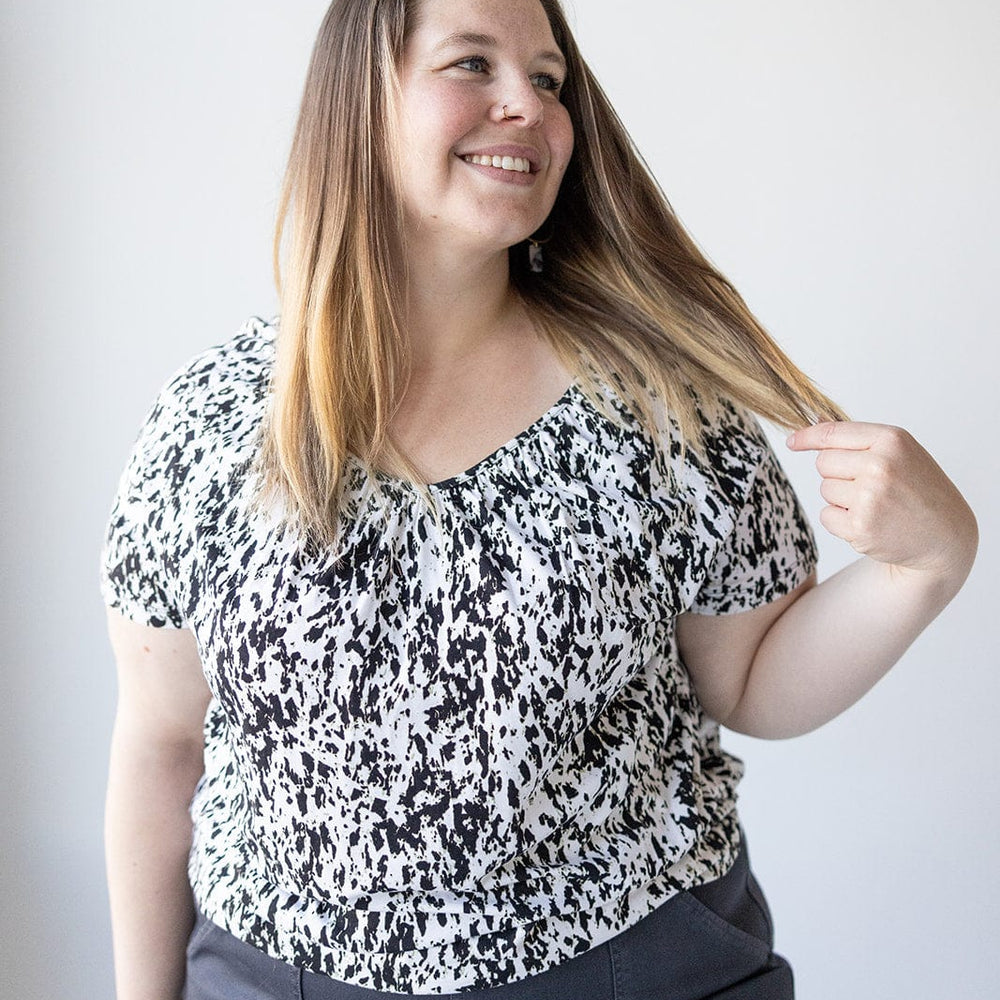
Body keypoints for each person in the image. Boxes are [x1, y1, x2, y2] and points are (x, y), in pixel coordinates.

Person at [100, 0, 978, 997]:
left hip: (635, 964)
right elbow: (162, 747)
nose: (528, 104)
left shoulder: (658, 404)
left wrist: (924, 565)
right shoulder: (211, 423)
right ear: (359, 103)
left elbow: (751, 681)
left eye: (549, 79)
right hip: (282, 974)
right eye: (472, 63)